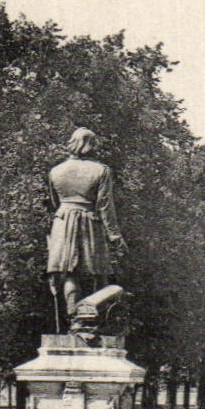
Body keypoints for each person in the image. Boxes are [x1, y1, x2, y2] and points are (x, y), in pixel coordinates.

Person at [46, 127, 126, 334]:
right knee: (99, 274)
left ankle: (74, 319)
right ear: (91, 145)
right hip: (89, 223)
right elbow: (105, 207)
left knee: (68, 273)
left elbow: (55, 202)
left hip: (62, 223)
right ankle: (94, 320)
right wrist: (115, 236)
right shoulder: (101, 171)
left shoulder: (55, 171)